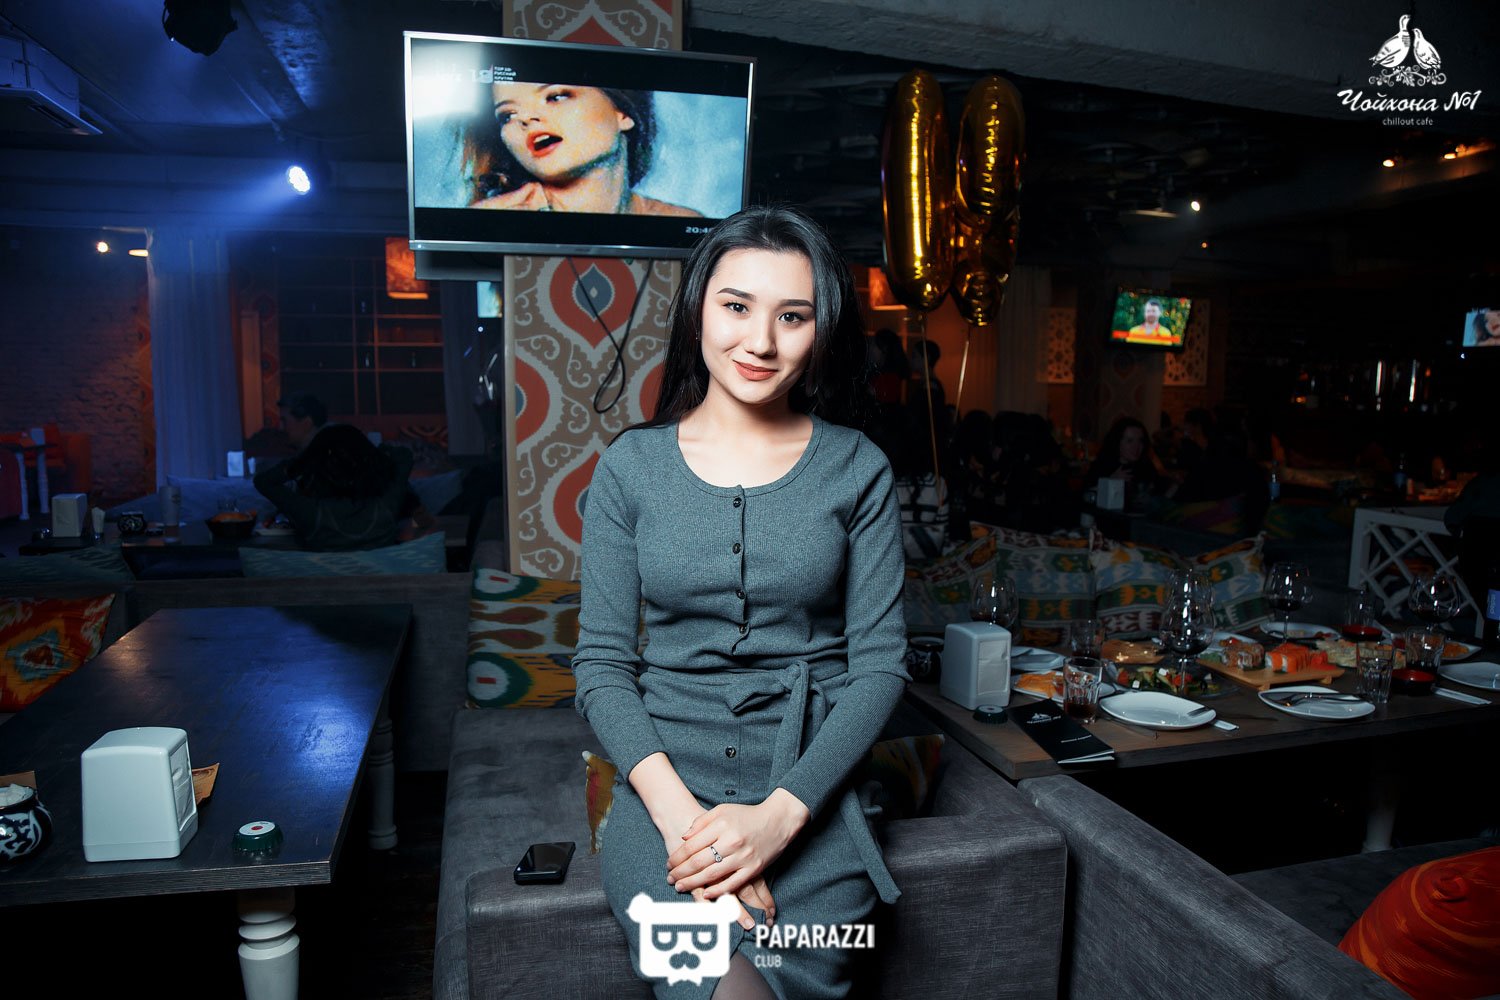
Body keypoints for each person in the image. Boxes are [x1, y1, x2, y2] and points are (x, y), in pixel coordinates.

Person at [571, 205, 909, 999]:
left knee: (795, 978)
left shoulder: (857, 468)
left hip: (811, 799)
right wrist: (691, 830)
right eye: (736, 306)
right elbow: (602, 666)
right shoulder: (630, 469)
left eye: (792, 316)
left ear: (821, 330)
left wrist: (776, 821)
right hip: (668, 803)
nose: (761, 341)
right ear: (698, 309)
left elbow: (880, 669)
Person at [464, 83, 698, 216]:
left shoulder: (681, 220)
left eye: (556, 97)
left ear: (623, 113)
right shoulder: (491, 218)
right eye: (507, 115)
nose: (525, 118)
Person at [253, 424, 415, 551]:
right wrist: (372, 450)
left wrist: (304, 459)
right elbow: (405, 456)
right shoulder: (387, 504)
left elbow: (263, 481)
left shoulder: (307, 511)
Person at [1086, 416, 1166, 497]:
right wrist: (1110, 482)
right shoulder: (1102, 465)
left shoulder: (1145, 465)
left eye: (1140, 441)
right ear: (1117, 442)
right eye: (1129, 441)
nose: (1136, 447)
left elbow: (1161, 492)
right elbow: (1085, 496)